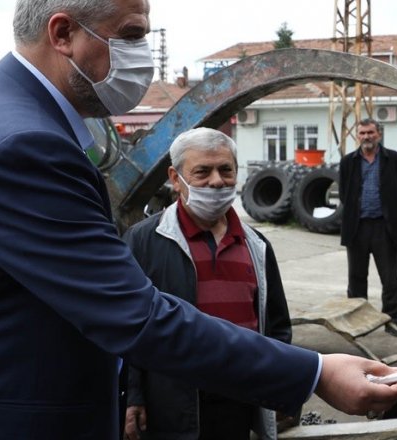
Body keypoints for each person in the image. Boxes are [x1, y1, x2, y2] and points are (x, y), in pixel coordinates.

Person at [0, 1, 397, 438]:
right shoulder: (28, 145)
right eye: (130, 35)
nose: (141, 56)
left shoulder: (2, 112)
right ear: (63, 34)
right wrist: (315, 373)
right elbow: (137, 317)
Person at [121, 128, 295, 440]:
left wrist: (281, 386)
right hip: (172, 402)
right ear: (175, 178)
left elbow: (277, 326)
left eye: (226, 170)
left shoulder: (256, 244)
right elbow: (129, 326)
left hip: (238, 399)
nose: (217, 181)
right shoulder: (145, 240)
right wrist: (133, 395)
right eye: (202, 171)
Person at [339, 118, 397, 330]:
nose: (366, 137)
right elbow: (344, 193)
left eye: (370, 132)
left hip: (384, 227)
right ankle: (359, 320)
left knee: (389, 278)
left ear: (378, 134)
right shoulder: (348, 161)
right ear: (357, 136)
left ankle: (392, 321)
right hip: (357, 227)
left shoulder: (394, 159)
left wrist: (390, 213)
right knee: (357, 277)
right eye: (362, 133)